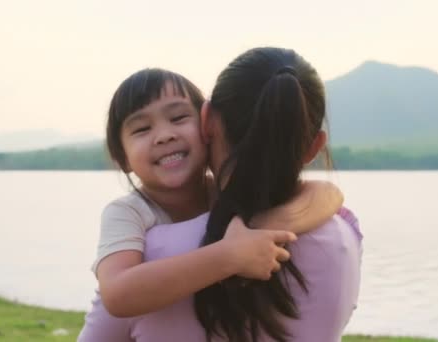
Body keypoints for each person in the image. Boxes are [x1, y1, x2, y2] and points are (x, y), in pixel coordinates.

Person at [79, 48, 361, 342]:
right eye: (142, 128)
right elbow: (118, 294)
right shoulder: (127, 214)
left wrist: (269, 227)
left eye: (177, 118)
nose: (164, 135)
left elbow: (325, 193)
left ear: (205, 123)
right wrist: (229, 255)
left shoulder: (217, 196)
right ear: (121, 158)